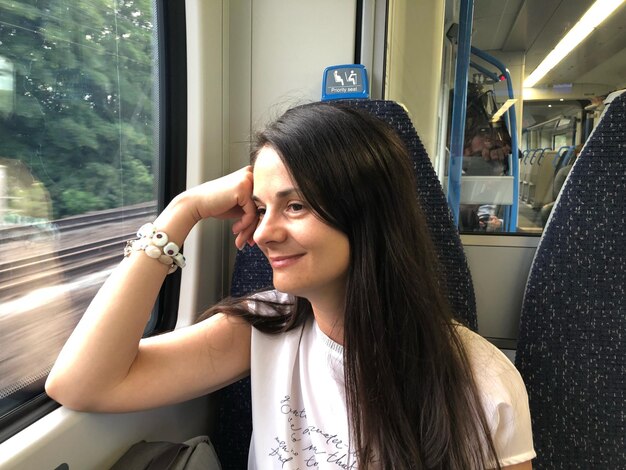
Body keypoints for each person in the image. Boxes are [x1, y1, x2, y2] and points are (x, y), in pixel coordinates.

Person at [46, 102, 535, 469]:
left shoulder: (482, 383)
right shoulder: (265, 327)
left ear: (367, 216)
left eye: (295, 206)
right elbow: (82, 384)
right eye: (260, 208)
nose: (261, 232)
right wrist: (182, 211)